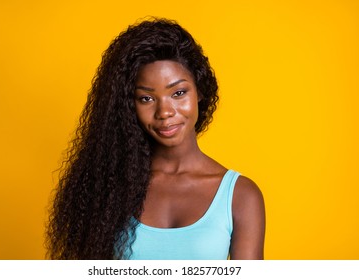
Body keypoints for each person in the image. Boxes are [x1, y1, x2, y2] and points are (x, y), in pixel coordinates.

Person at [46, 18, 265, 260]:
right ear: (129, 106)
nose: (165, 112)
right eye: (146, 99)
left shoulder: (240, 196)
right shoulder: (108, 186)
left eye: (178, 93)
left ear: (199, 91)